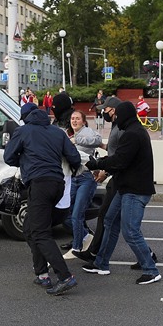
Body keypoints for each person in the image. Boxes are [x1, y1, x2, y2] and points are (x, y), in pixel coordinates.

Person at [3, 103, 81, 296]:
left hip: (39, 184)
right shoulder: (58, 132)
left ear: (26, 118)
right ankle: (42, 273)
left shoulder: (23, 131)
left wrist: (24, 160)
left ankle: (65, 276)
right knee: (30, 228)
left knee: (40, 232)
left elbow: (8, 157)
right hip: (57, 185)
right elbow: (75, 158)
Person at [83, 101, 161, 285]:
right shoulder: (134, 131)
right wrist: (101, 162)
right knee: (109, 220)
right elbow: (121, 159)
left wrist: (96, 164)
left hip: (135, 190)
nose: (115, 118)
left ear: (125, 115)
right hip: (126, 187)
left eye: (117, 115)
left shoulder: (132, 134)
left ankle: (151, 270)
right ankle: (101, 263)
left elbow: (119, 161)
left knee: (131, 231)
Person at [62, 111, 102, 260]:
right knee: (66, 213)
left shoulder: (87, 133)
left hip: (86, 177)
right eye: (72, 118)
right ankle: (86, 236)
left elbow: (97, 140)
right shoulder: (68, 136)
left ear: (84, 121)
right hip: (73, 177)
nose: (74, 120)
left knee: (77, 214)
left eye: (78, 118)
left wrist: (75, 140)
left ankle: (76, 248)